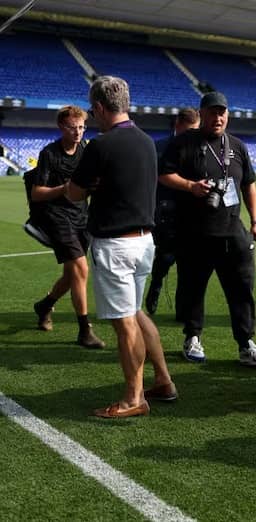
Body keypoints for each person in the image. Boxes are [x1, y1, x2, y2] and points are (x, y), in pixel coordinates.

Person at [68, 76, 177, 418]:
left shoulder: (101, 145)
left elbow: (73, 192)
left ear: (99, 108)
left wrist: (91, 187)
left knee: (125, 322)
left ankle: (134, 398)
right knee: (136, 312)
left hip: (115, 245)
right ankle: (163, 380)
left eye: (92, 110)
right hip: (145, 241)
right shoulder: (146, 141)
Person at [159, 92, 256, 365]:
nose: (218, 118)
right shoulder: (183, 143)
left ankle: (245, 342)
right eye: (212, 112)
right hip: (195, 232)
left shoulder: (238, 146)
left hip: (233, 231)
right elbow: (163, 175)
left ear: (227, 115)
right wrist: (190, 186)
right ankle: (192, 337)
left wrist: (255, 220)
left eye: (222, 113)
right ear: (202, 114)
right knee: (193, 289)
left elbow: (248, 184)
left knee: (242, 289)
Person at [30, 105, 105, 349]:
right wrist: (65, 189)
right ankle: (84, 330)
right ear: (62, 127)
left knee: (72, 274)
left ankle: (45, 305)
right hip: (56, 216)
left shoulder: (86, 149)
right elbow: (37, 193)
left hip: (82, 216)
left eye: (82, 127)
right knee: (81, 268)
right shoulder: (49, 154)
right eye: (73, 127)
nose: (78, 132)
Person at [145, 108, 200, 315]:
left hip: (192, 212)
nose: (191, 136)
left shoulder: (200, 148)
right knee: (166, 257)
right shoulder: (157, 147)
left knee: (189, 263)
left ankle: (182, 308)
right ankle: (156, 284)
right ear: (177, 125)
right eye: (188, 131)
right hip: (164, 212)